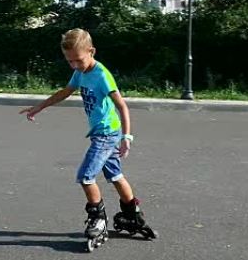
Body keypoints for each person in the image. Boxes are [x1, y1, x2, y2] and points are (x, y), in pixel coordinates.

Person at [20, 28, 156, 244]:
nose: (74, 65)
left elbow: (122, 106)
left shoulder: (102, 75)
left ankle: (98, 219)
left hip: (106, 134)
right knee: (115, 175)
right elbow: (65, 92)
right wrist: (39, 107)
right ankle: (133, 214)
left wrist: (127, 137)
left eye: (78, 60)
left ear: (91, 51)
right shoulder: (80, 73)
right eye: (70, 61)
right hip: (100, 134)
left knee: (85, 176)